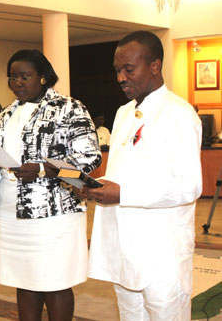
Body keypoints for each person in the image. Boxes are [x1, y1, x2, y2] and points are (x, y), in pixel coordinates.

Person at [0, 49, 101, 321]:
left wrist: (42, 169)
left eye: (24, 76)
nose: (17, 82)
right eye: (12, 77)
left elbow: (89, 157)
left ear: (42, 76)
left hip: (54, 211)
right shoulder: (6, 114)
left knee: (55, 281)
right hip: (11, 210)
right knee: (24, 278)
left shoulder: (69, 107)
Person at [83, 31, 202, 321]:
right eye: (117, 71)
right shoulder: (124, 112)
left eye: (129, 69)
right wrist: (93, 188)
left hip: (162, 251)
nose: (121, 77)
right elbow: (125, 174)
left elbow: (189, 186)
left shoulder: (178, 114)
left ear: (155, 66)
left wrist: (122, 194)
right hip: (125, 248)